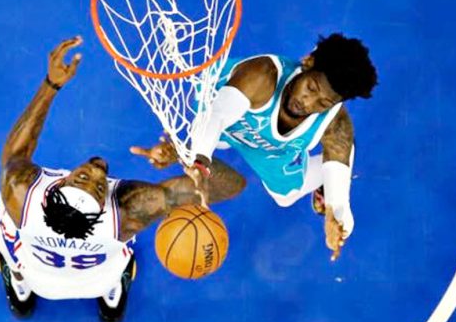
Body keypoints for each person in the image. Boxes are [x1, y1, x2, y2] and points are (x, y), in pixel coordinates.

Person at [0, 36, 245, 322]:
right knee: (116, 266)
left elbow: (16, 152)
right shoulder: (128, 212)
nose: (98, 170)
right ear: (103, 207)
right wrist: (185, 157)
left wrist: (51, 85)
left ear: (58, 187)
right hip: (99, 280)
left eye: (85, 177)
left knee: (11, 245)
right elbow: (233, 185)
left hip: (36, 277)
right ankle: (113, 295)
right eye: (98, 185)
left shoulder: (22, 193)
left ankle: (20, 289)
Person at [141, 33, 377, 261]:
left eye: (323, 102)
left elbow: (341, 209)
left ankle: (333, 165)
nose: (308, 103)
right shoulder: (263, 74)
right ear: (308, 62)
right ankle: (335, 163)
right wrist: (200, 164)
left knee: (285, 197)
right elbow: (218, 116)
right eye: (311, 88)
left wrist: (335, 216)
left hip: (269, 145)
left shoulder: (336, 126)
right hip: (225, 113)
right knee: (204, 139)